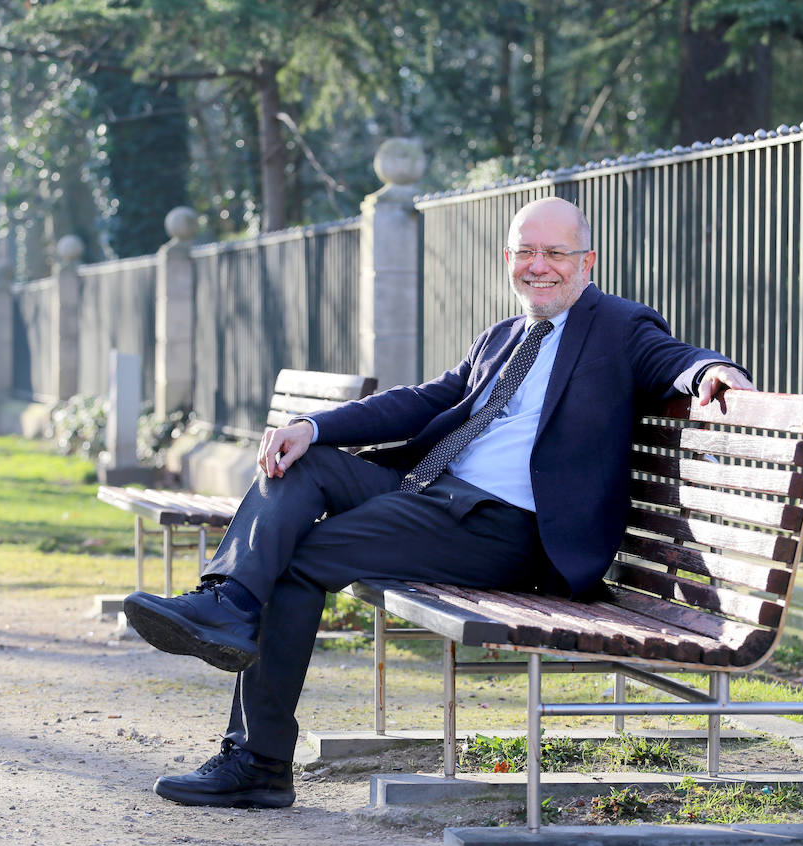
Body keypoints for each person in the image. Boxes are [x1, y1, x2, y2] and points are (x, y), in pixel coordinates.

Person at [123, 197, 753, 808]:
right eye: (525, 252)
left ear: (588, 262)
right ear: (508, 258)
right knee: (300, 463)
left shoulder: (617, 326)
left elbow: (673, 358)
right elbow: (427, 399)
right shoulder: (504, 335)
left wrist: (709, 373)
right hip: (431, 493)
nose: (539, 266)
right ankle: (229, 603)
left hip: (508, 529)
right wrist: (312, 427)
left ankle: (257, 761)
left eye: (556, 253)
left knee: (293, 561)